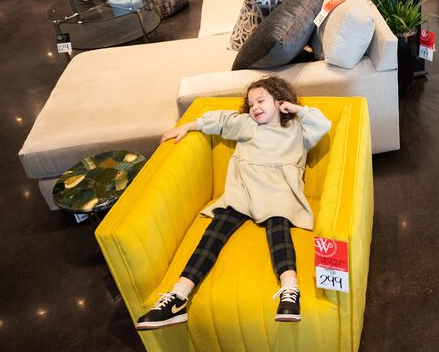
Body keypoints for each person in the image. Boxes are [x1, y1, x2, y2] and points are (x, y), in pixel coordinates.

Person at [135, 76, 332, 330]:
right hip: (243, 191)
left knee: (279, 231)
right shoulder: (246, 124)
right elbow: (220, 120)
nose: (255, 107)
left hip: (277, 193)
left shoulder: (297, 128)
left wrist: (296, 110)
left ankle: (290, 291)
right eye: (250, 104)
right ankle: (178, 297)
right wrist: (188, 126)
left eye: (261, 100)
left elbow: (322, 123)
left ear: (280, 100)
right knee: (213, 233)